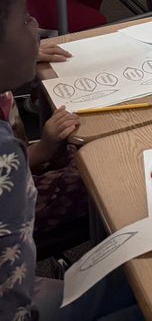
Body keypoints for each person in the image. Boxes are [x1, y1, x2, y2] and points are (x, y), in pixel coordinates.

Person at [0, 0, 141, 320]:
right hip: (18, 303)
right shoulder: (5, 155)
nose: (37, 28)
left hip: (22, 283)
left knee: (142, 279)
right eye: (25, 22)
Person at [1, 42, 89, 256]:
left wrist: (16, 56)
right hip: (12, 205)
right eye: (22, 21)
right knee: (101, 176)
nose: (34, 24)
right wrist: (43, 150)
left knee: (90, 149)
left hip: (23, 164)